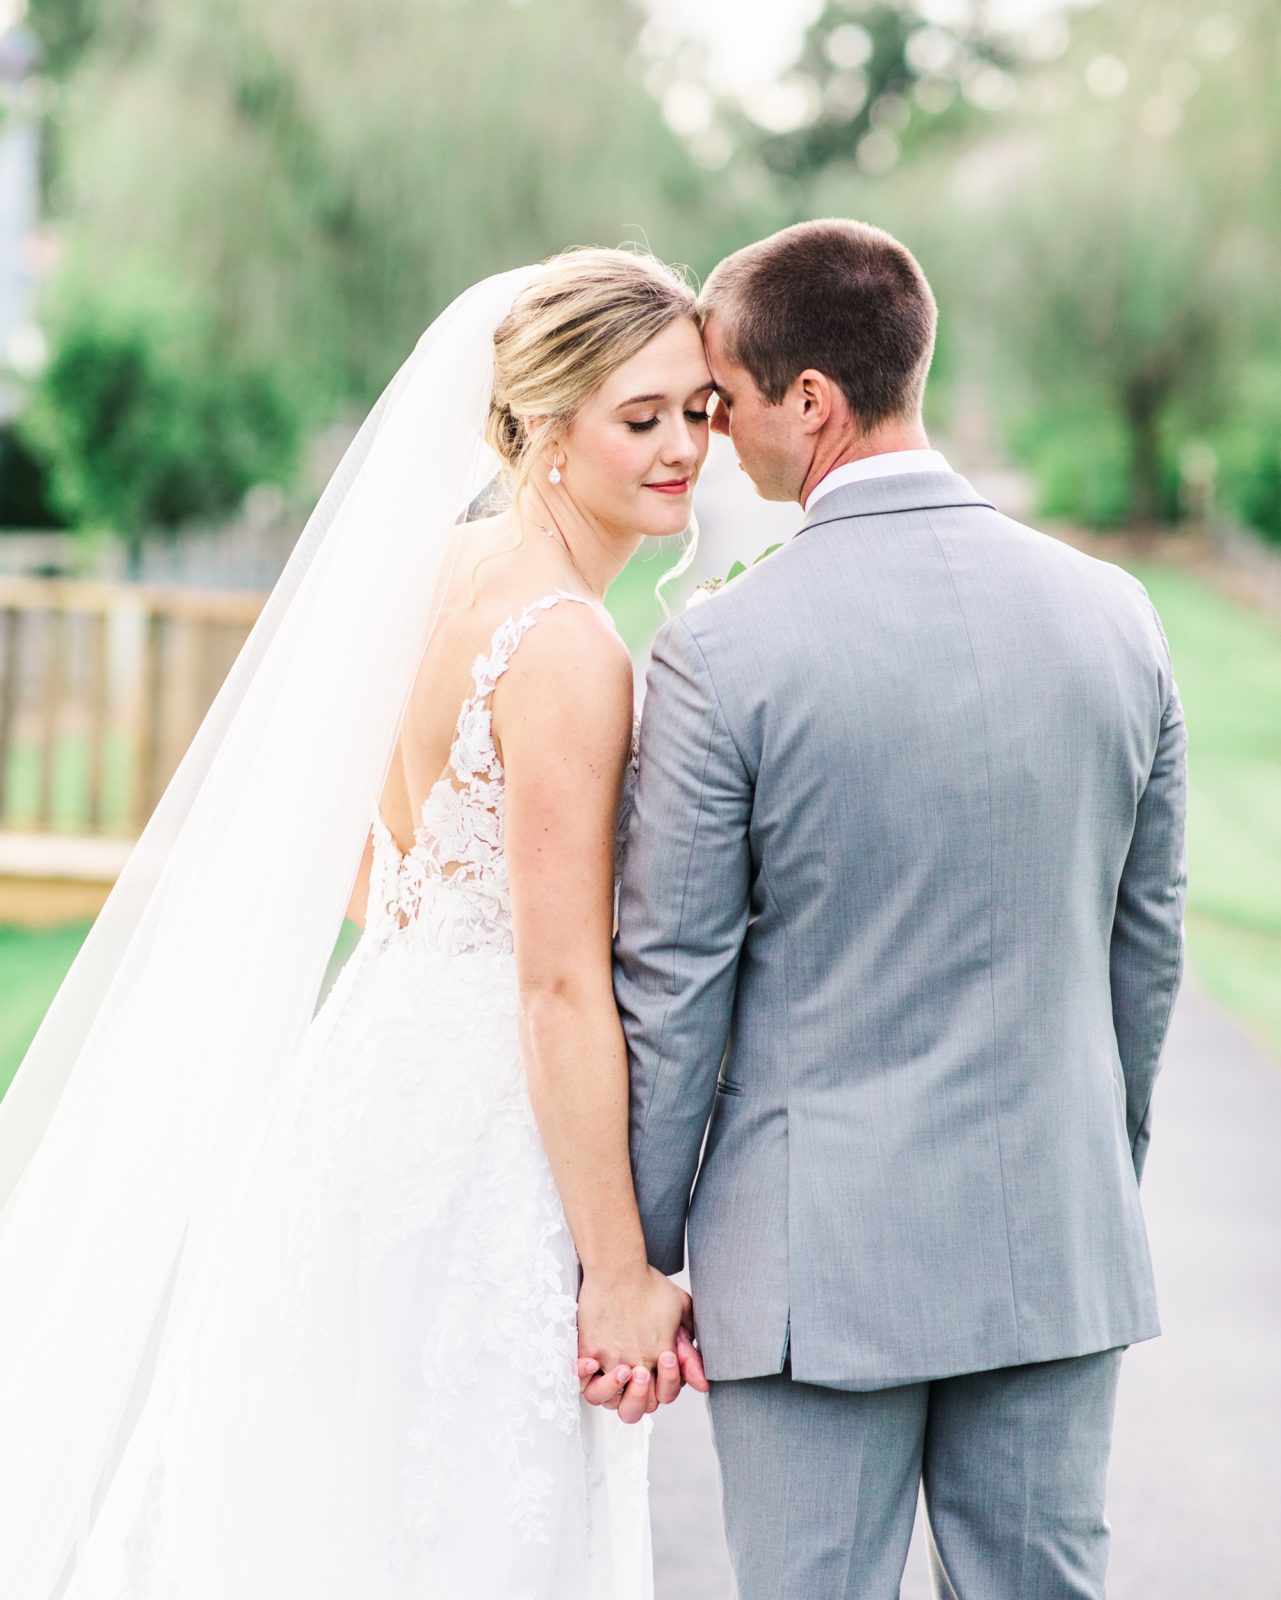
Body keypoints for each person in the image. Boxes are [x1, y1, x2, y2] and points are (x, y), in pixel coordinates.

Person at [0, 248, 709, 1598]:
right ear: (545, 430)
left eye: (698, 412)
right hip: (487, 1117)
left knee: (329, 1487)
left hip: (369, 1068)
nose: (683, 448)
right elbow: (557, 986)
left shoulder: (432, 572)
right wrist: (619, 1276)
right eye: (641, 419)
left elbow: (358, 866)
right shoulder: (563, 645)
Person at [611, 218, 1188, 1599]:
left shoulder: (719, 653)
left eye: (725, 403)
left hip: (812, 1270)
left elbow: (671, 986)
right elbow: (1145, 947)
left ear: (809, 402)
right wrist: (1090, 1169)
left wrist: (640, 1257)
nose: (714, 442)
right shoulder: (1115, 616)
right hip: (1053, 1234)